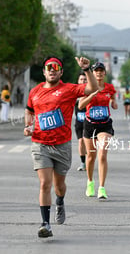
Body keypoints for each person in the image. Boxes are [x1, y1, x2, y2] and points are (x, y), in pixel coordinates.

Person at [24, 56, 98, 238]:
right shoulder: (34, 92)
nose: (52, 69)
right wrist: (28, 125)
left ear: (61, 72)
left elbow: (93, 89)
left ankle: (60, 201)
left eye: (56, 67)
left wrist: (87, 70)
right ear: (44, 71)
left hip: (62, 145)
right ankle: (45, 224)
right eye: (49, 67)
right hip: (40, 143)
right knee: (44, 183)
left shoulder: (69, 89)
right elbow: (29, 110)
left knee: (59, 185)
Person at [79, 62, 118, 200]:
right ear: (93, 73)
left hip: (105, 125)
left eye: (101, 71)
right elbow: (80, 105)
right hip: (90, 124)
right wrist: (92, 94)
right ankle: (90, 182)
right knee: (91, 156)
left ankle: (102, 188)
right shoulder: (87, 87)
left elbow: (113, 98)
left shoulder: (109, 88)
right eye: (96, 71)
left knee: (102, 154)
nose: (99, 73)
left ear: (104, 73)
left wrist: (113, 103)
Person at [75, 72, 87, 171]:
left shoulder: (90, 92)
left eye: (85, 79)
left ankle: (89, 159)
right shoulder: (74, 93)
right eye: (81, 79)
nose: (83, 81)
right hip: (79, 121)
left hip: (89, 122)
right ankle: (83, 163)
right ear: (78, 81)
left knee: (88, 143)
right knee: (81, 141)